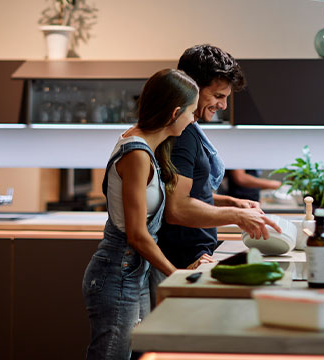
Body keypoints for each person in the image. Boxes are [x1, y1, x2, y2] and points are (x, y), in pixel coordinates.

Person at [82, 69, 202, 360]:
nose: (194, 120)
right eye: (192, 112)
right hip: (117, 275)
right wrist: (176, 275)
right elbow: (137, 235)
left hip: (133, 274)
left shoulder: (146, 145)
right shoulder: (137, 154)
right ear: (175, 113)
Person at [156, 44, 281, 272]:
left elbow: (193, 195)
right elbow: (176, 208)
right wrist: (237, 216)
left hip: (195, 258)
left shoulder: (188, 130)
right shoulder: (182, 136)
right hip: (183, 262)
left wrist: (234, 203)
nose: (222, 105)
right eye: (217, 96)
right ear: (192, 87)